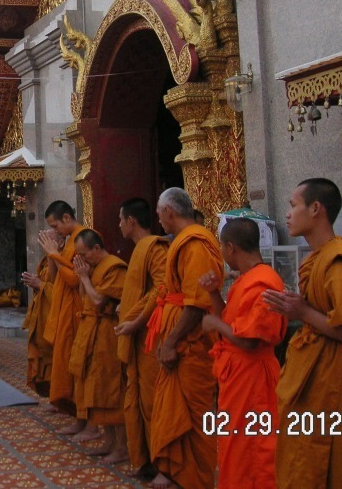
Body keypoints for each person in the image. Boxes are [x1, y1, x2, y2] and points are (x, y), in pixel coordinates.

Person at [263, 178, 342, 488]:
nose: (288, 213)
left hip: (335, 375)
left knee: (333, 462)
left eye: (293, 206)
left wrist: (301, 313)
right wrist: (299, 309)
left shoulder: (338, 261)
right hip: (314, 369)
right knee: (304, 454)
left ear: (316, 209)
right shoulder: (318, 257)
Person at [199, 217, 287, 489]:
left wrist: (213, 324)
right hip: (237, 378)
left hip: (253, 380)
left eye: (223, 247)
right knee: (234, 448)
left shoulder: (263, 282)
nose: (223, 254)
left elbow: (251, 340)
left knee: (253, 453)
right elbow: (230, 318)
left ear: (232, 247)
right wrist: (214, 294)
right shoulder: (246, 280)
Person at [148, 187, 223, 489]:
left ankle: (198, 477)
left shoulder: (195, 245)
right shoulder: (184, 242)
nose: (159, 219)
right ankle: (178, 471)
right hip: (179, 340)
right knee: (174, 409)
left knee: (196, 414)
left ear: (169, 212)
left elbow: (195, 303)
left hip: (189, 344)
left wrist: (170, 342)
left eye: (159, 213)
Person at [113, 197, 168, 479]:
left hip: (151, 338)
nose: (119, 225)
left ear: (131, 221)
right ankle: (144, 460)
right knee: (137, 401)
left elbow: (162, 288)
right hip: (138, 338)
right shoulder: (139, 250)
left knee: (153, 404)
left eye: (121, 220)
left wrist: (136, 320)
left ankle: (164, 465)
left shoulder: (155, 248)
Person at [69, 229, 129, 463]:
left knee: (112, 391)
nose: (83, 259)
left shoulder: (114, 267)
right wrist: (83, 274)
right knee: (96, 390)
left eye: (84, 254)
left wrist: (84, 277)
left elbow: (98, 300)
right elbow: (85, 295)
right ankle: (108, 441)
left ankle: (122, 447)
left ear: (96, 248)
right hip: (91, 331)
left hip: (108, 335)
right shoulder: (94, 268)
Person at [38, 200, 92, 438]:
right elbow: (54, 277)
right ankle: (77, 417)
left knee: (79, 370)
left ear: (67, 218)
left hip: (77, 313)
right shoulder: (70, 241)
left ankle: (87, 422)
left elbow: (74, 279)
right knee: (68, 368)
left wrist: (55, 255)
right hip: (66, 313)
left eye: (56, 225)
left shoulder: (84, 239)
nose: (55, 230)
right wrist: (54, 255)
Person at [21, 228, 62, 398]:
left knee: (57, 357)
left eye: (49, 239)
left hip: (58, 318)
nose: (44, 243)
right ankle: (54, 395)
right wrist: (37, 283)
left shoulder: (64, 260)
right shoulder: (47, 261)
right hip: (45, 316)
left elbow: (61, 293)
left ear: (60, 242)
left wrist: (40, 285)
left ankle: (61, 395)